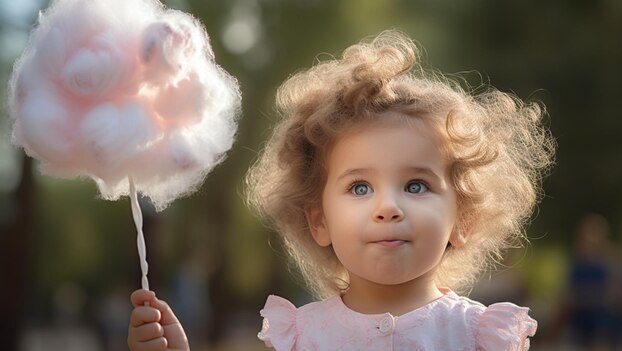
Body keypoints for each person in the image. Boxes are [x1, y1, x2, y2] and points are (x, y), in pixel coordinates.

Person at [127, 30, 555, 350]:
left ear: (461, 218)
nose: (388, 206)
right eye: (360, 187)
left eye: (416, 184)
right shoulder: (300, 336)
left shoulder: (481, 336)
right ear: (319, 220)